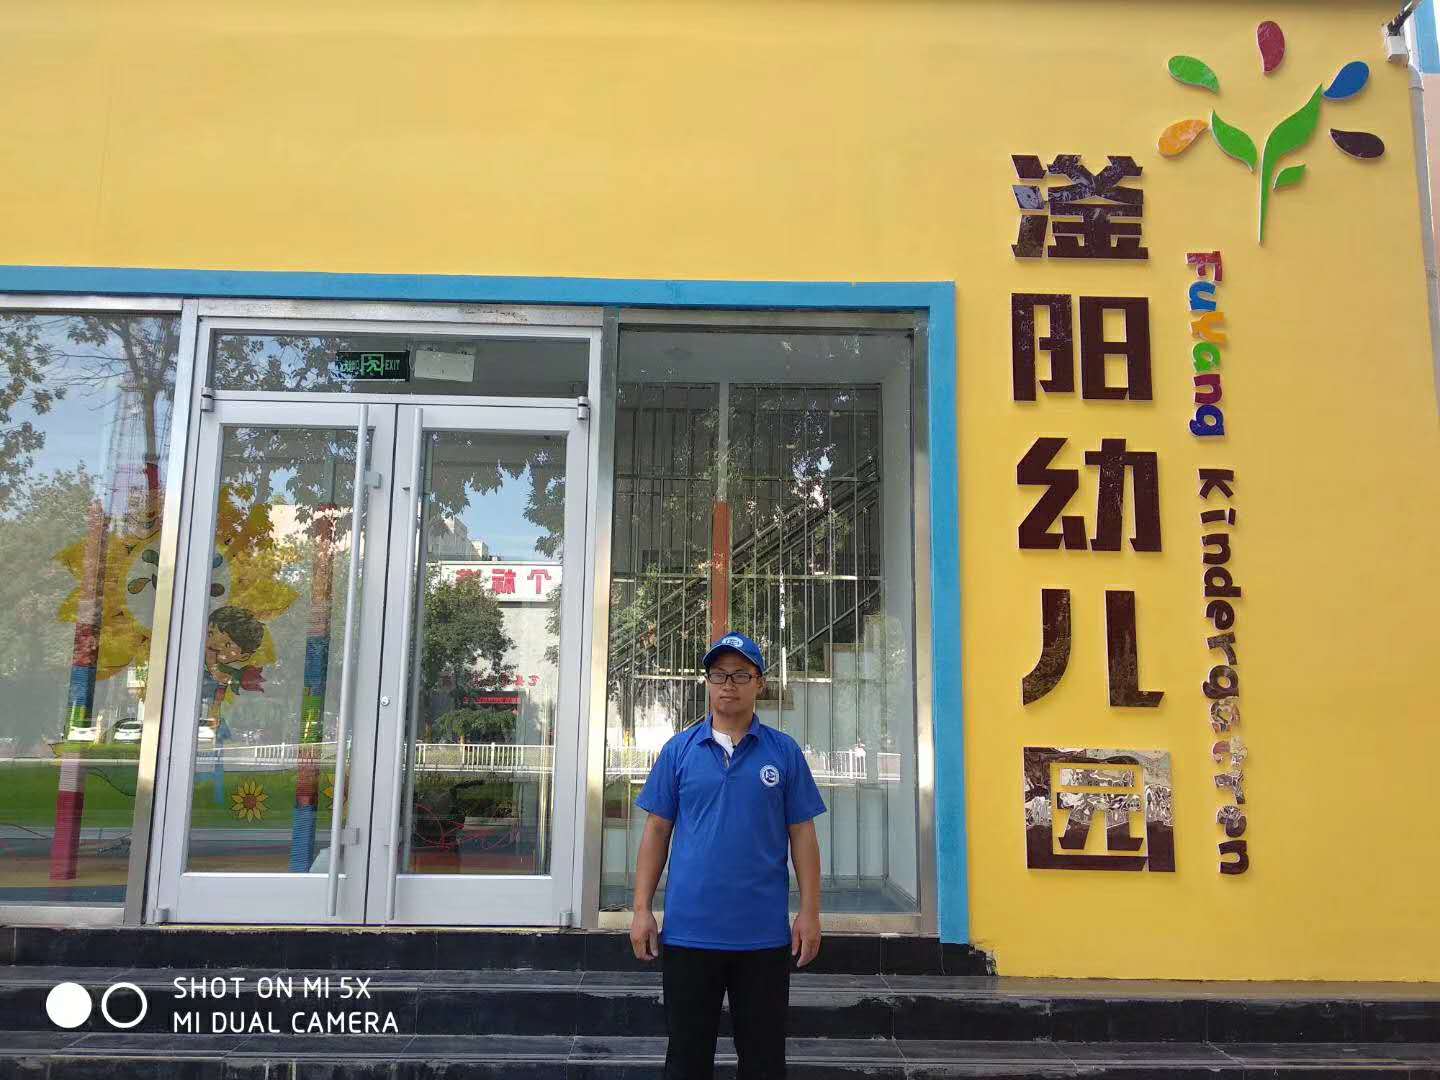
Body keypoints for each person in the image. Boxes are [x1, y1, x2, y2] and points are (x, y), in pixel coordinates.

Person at [630, 632, 827, 1079]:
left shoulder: (783, 752)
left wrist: (810, 912)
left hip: (762, 938)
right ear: (707, 682)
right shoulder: (679, 751)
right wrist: (641, 909)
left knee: (763, 1062)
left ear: (759, 683)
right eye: (718, 675)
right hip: (688, 935)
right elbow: (657, 830)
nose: (728, 685)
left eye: (740, 675)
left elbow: (803, 834)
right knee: (686, 1060)